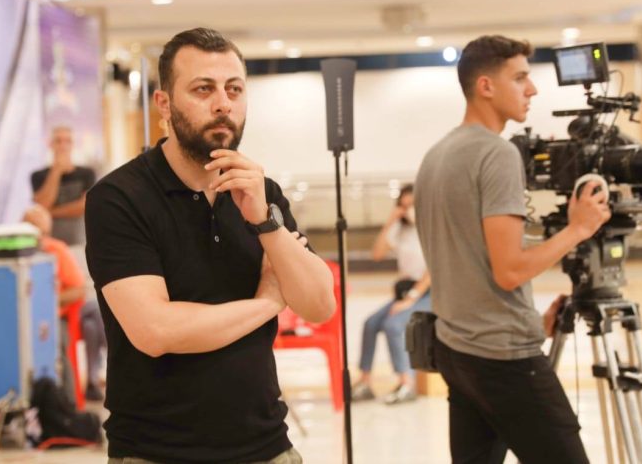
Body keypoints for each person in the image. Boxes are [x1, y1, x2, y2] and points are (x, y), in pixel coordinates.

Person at [84, 28, 335, 464]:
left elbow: (318, 305)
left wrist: (264, 221)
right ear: (164, 104)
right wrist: (268, 303)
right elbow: (157, 331)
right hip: (156, 452)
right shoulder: (119, 198)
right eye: (204, 89)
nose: (223, 103)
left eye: (233, 89)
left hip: (267, 446)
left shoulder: (261, 192)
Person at [414, 35, 611, 464]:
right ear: (486, 86)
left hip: (457, 350)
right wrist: (579, 228)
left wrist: (533, 321)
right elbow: (509, 271)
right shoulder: (497, 154)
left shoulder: (435, 155)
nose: (532, 89)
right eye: (520, 78)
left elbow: (469, 264)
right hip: (504, 359)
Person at [350, 184, 431, 405]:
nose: (407, 210)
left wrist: (411, 299)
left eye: (412, 205)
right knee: (371, 323)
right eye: (403, 206)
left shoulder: (431, 230)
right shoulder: (401, 230)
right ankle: (365, 381)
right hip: (406, 291)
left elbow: (433, 270)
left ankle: (407, 383)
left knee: (393, 325)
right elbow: (377, 254)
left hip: (427, 293)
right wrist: (390, 222)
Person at [22, 205, 87, 405]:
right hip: (22, 320)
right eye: (32, 230)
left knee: (58, 348)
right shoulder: (17, 255)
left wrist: (45, 300)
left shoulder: (57, 250)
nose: (38, 237)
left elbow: (78, 290)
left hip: (54, 318)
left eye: (42, 232)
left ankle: (67, 406)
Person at [31, 126, 96, 246]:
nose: (63, 145)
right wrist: (56, 171)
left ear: (73, 145)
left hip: (80, 242)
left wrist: (50, 212)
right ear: (50, 144)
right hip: (50, 243)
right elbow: (43, 204)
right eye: (58, 141)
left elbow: (84, 206)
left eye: (67, 141)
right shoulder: (38, 176)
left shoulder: (87, 173)